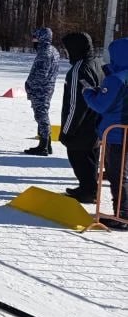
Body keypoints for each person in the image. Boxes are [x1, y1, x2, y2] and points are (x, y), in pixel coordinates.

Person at [82, 37, 128, 230]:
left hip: (117, 134)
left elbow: (101, 105)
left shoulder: (116, 79)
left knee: (117, 174)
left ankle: (123, 214)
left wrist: (88, 93)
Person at [59, 32, 103, 203]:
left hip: (82, 124)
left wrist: (68, 130)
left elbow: (75, 103)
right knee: (91, 156)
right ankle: (90, 188)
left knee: (78, 155)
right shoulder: (96, 63)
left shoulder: (79, 68)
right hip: (96, 121)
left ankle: (88, 190)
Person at [24, 27, 61, 155]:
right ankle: (47, 143)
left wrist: (29, 85)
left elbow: (40, 74)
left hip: (40, 89)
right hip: (47, 87)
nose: (33, 40)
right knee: (42, 114)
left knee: (41, 115)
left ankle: (44, 145)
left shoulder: (45, 52)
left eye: (35, 37)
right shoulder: (53, 51)